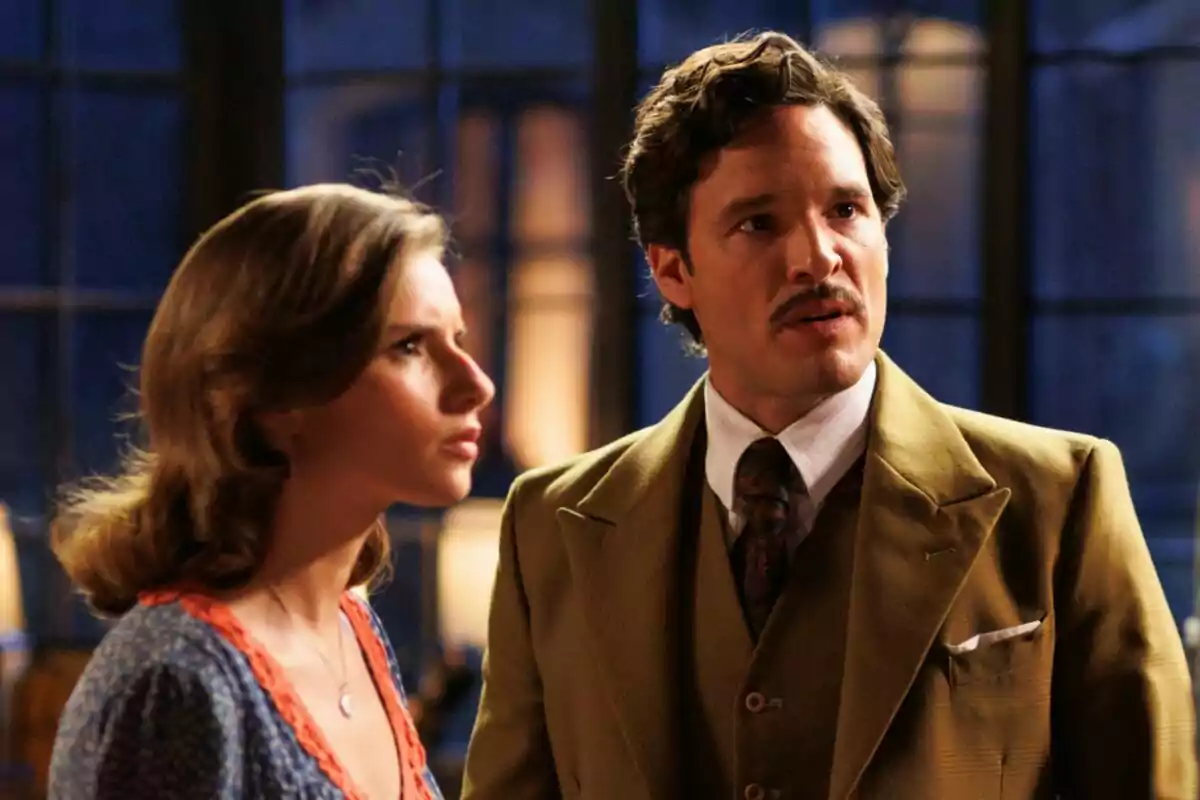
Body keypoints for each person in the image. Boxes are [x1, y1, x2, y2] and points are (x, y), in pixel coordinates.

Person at [460, 31, 1196, 799]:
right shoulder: (550, 524)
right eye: (759, 224)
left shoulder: (1058, 498)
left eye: (847, 209)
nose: (818, 258)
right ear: (673, 269)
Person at [49, 183, 494, 800]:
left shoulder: (351, 629)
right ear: (278, 398)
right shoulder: (175, 682)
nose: (475, 384)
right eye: (410, 346)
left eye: (460, 341)